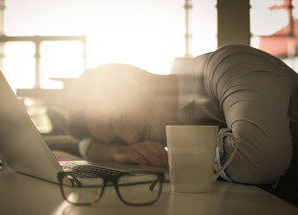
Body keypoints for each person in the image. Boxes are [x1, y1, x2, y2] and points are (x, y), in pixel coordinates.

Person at [67, 44, 298, 205]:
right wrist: (117, 150)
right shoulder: (165, 121)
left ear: (133, 81)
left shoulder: (230, 66)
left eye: (120, 119)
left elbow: (259, 162)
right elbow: (87, 145)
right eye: (117, 137)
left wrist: (180, 157)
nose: (131, 138)